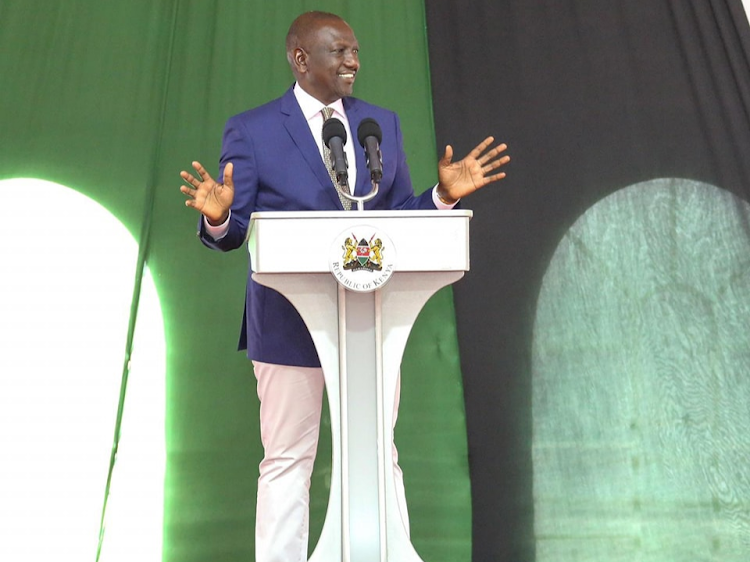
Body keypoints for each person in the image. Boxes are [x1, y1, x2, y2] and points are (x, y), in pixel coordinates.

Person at [180, 10, 509, 562]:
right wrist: (218, 217)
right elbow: (234, 232)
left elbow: (397, 218)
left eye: (355, 51)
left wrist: (441, 199)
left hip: (370, 320)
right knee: (288, 458)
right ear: (300, 58)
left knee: (379, 451)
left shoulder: (378, 123)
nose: (353, 61)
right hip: (288, 327)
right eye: (339, 51)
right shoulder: (254, 129)